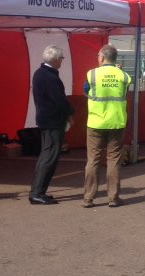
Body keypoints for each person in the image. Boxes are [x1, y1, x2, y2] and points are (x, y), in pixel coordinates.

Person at [83, 44, 132, 208]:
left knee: (93, 160)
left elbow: (86, 91)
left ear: (102, 57)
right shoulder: (124, 76)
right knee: (113, 160)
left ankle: (88, 198)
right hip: (116, 122)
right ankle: (113, 197)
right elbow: (124, 93)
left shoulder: (92, 74)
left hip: (96, 122)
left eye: (98, 56)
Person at [29, 45, 74, 205]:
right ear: (56, 59)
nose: (62, 61)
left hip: (45, 119)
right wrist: (70, 112)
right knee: (50, 157)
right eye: (61, 58)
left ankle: (38, 191)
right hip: (52, 121)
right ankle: (38, 192)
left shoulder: (40, 73)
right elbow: (59, 100)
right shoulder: (50, 77)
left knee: (46, 155)